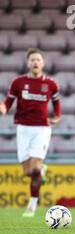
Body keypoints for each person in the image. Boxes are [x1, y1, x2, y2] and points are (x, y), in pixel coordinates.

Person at [0, 48, 61, 217]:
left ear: (43, 63)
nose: (35, 62)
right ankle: (42, 170)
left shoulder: (51, 84)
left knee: (34, 171)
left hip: (41, 129)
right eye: (32, 60)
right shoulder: (18, 83)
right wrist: (3, 108)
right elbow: (8, 102)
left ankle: (31, 207)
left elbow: (57, 106)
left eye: (38, 60)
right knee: (28, 172)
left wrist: (56, 118)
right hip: (23, 129)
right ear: (28, 63)